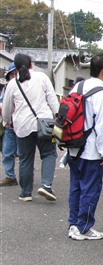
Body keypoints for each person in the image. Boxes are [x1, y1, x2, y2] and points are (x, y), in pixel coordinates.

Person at [67, 53, 103, 240]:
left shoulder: (78, 86)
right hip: (91, 150)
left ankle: (73, 224)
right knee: (90, 189)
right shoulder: (100, 93)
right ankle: (84, 227)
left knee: (76, 187)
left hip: (73, 146)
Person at [2, 54, 59, 202]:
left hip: (23, 126)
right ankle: (46, 185)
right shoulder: (42, 77)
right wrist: (58, 116)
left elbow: (7, 107)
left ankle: (25, 193)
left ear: (15, 67)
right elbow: (52, 100)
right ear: (31, 64)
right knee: (49, 153)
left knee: (25, 159)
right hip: (45, 123)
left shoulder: (12, 84)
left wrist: (6, 121)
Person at [1, 63, 19, 186]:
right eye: (11, 74)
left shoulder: (26, 86)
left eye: (16, 74)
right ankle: (10, 176)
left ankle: (27, 175)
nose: (14, 76)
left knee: (24, 153)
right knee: (7, 152)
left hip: (22, 125)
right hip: (9, 124)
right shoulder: (6, 88)